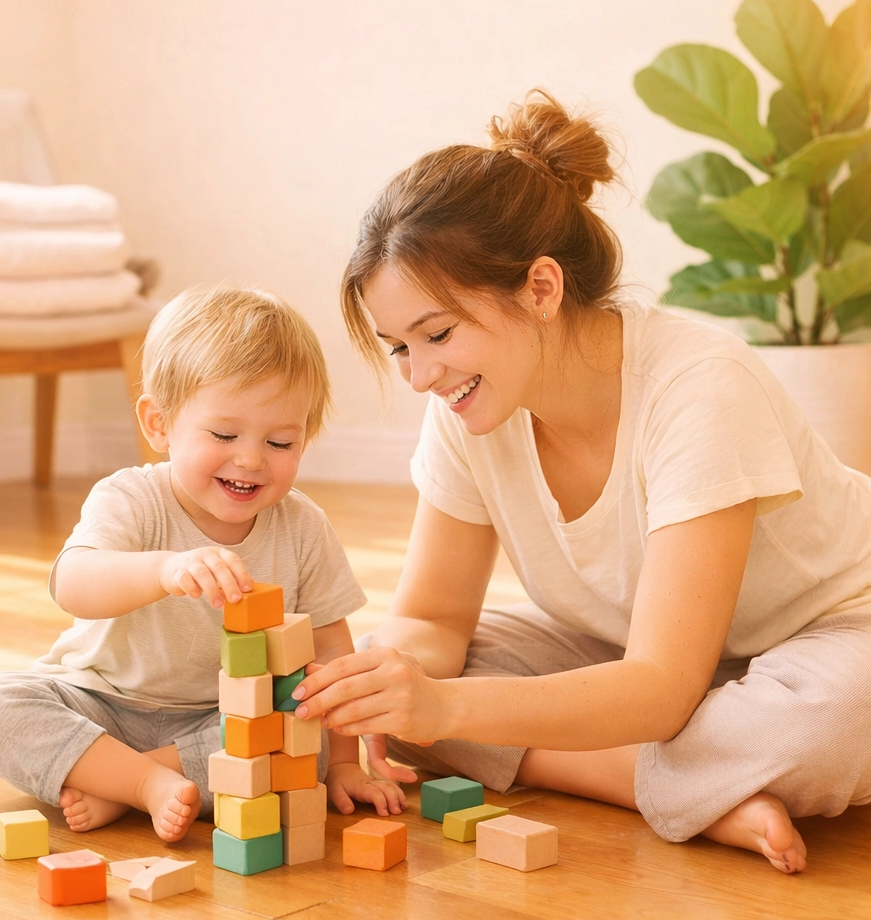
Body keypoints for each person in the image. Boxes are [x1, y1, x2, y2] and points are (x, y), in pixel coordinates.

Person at [291, 90, 871, 873]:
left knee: (817, 727)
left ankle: (680, 775)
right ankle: (696, 785)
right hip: (639, 646)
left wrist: (445, 709)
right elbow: (432, 618)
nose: (422, 374)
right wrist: (369, 687)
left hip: (831, 631)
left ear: (541, 288)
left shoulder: (699, 387)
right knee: (396, 693)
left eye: (438, 333)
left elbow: (664, 687)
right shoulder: (468, 405)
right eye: (399, 346)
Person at [0, 284, 405, 842]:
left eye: (281, 443)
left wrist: (343, 763)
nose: (251, 458)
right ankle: (144, 784)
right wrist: (162, 570)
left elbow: (330, 655)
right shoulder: (130, 498)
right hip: (103, 704)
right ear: (159, 424)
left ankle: (116, 780)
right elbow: (74, 583)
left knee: (299, 750)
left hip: (220, 724)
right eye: (224, 434)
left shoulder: (303, 527)